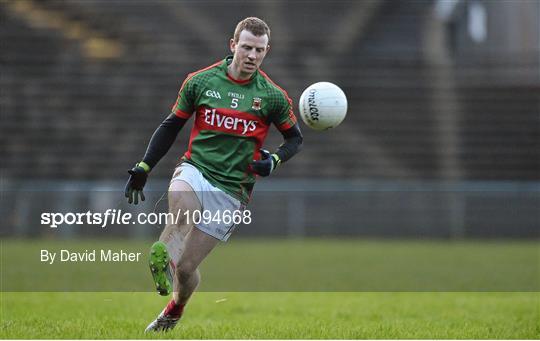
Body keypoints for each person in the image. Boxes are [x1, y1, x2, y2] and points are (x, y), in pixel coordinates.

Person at [124, 17, 303, 332]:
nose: (251, 55)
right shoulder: (201, 81)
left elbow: (295, 139)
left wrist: (273, 161)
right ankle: (163, 260)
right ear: (233, 45)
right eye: (246, 47)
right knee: (182, 213)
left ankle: (175, 307)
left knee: (188, 270)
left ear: (266, 51)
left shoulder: (272, 96)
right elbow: (171, 125)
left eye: (259, 50)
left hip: (232, 190)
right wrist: (145, 165)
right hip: (196, 169)